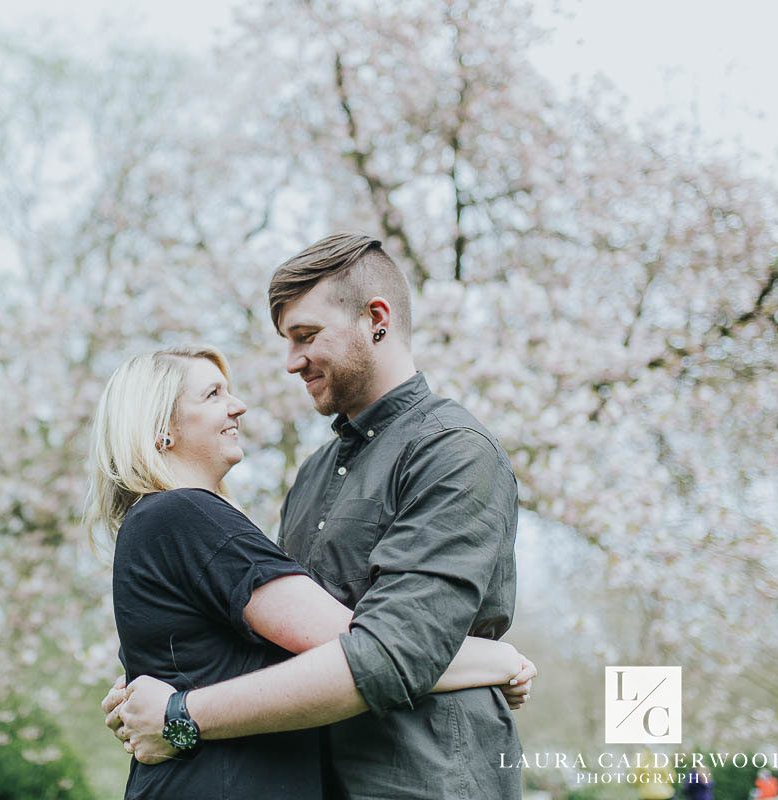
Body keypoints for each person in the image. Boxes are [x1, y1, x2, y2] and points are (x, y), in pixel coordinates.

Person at [108, 233, 528, 798]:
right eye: (287, 341)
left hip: (425, 781)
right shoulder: (313, 475)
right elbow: (286, 638)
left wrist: (180, 711)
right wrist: (158, 680)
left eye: (306, 337)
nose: (291, 362)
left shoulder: (452, 451)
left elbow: (390, 652)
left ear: (375, 319)